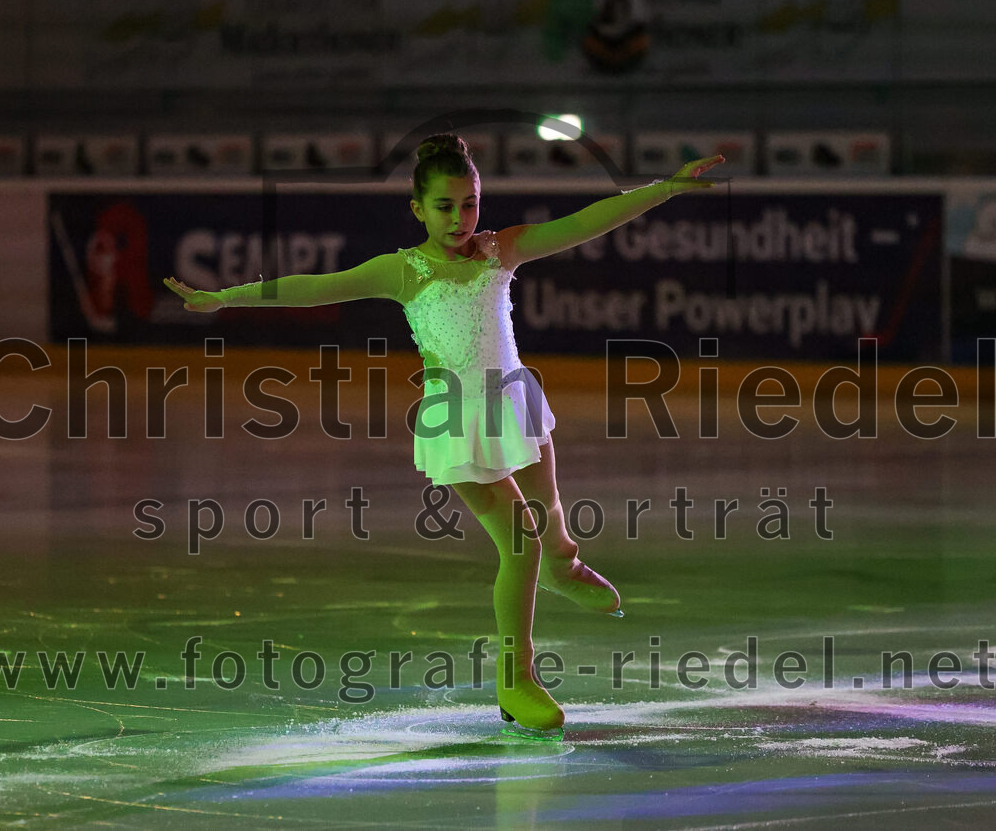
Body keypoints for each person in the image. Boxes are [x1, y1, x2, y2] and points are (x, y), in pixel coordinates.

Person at [164, 134, 723, 735]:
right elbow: (313, 286)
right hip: (456, 422)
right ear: (417, 208)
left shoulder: (498, 252)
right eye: (445, 206)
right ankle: (518, 681)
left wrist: (663, 188)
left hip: (513, 401)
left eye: (470, 203)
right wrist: (224, 297)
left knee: (550, 515)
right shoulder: (403, 271)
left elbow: (583, 223)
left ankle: (564, 563)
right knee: (520, 542)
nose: (460, 219)